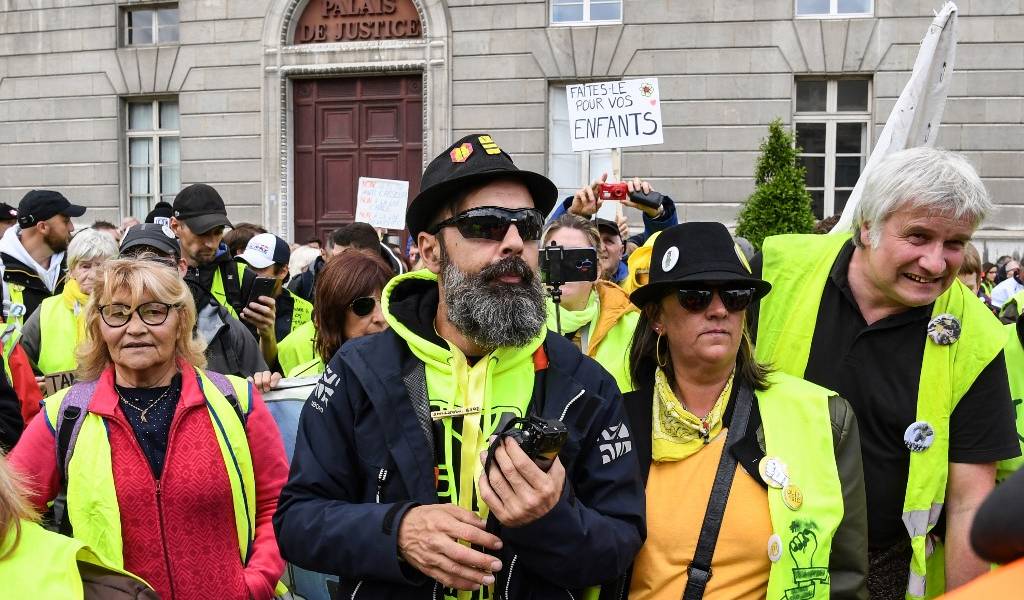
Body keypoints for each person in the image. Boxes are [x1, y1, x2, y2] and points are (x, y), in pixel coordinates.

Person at [274, 133, 645, 599]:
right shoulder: (360, 370)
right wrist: (398, 531)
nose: (514, 243)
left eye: (528, 226)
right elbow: (298, 520)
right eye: (486, 225)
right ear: (430, 251)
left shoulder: (584, 384)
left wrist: (552, 519)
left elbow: (621, 542)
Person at [753, 147, 1019, 598]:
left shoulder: (976, 336)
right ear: (867, 227)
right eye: (918, 237)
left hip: (880, 571)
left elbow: (969, 501)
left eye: (954, 244)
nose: (935, 263)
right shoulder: (777, 270)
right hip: (757, 549)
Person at [9, 258, 289, 600]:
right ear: (98, 325)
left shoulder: (237, 400)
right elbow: (10, 515)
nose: (135, 327)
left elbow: (277, 504)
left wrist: (256, 582)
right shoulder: (65, 415)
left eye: (154, 311)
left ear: (181, 320)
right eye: (117, 313)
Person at [621, 222, 866, 599]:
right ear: (657, 318)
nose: (719, 310)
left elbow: (844, 576)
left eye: (736, 296)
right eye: (695, 296)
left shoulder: (823, 416)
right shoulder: (615, 422)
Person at [120, 224, 271, 380]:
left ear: (181, 268)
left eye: (157, 263)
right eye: (130, 265)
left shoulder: (220, 322)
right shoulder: (108, 326)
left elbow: (259, 382)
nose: (145, 274)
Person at [0, 451, 158, 598]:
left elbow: (18, 490)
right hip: (102, 583)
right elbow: (22, 487)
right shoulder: (65, 427)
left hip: (106, 582)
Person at [169, 184, 278, 365]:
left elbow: (263, 367)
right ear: (175, 226)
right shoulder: (159, 278)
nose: (211, 243)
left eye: (218, 232)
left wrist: (268, 335)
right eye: (202, 233)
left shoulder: (242, 277)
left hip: (235, 383)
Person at [542, 213, 639, 392]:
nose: (564, 266)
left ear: (596, 270)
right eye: (554, 256)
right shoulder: (520, 325)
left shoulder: (632, 326)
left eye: (577, 258)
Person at [277, 249, 391, 378]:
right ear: (333, 316)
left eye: (388, 303)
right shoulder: (302, 380)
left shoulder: (410, 374)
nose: (381, 317)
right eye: (363, 305)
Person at [22, 229, 118, 376]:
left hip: (109, 390)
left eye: (101, 266)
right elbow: (18, 358)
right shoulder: (47, 309)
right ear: (72, 270)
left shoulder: (122, 309)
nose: (93, 275)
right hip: (56, 392)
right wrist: (35, 381)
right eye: (85, 266)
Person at [550, 173, 678, 284]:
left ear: (622, 250)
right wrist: (572, 215)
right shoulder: (566, 287)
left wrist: (658, 215)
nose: (601, 247)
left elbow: (665, 252)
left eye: (609, 241)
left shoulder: (637, 282)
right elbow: (550, 252)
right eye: (594, 241)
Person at [0, 190, 85, 326]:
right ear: (43, 227)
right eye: (66, 221)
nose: (72, 227)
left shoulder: (74, 264)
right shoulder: (3, 270)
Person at [236, 232, 313, 343]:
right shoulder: (232, 299)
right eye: (246, 265)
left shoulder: (305, 309)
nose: (248, 273)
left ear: (282, 272)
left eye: (258, 267)